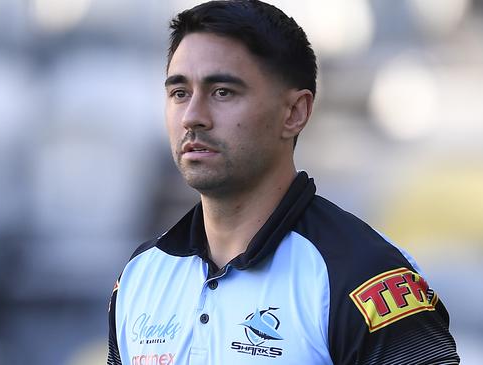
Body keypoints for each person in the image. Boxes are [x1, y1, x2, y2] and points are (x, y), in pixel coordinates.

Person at [107, 1, 459, 364]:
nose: (193, 117)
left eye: (222, 92)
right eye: (180, 93)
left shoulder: (365, 277)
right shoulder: (141, 275)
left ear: (294, 113)